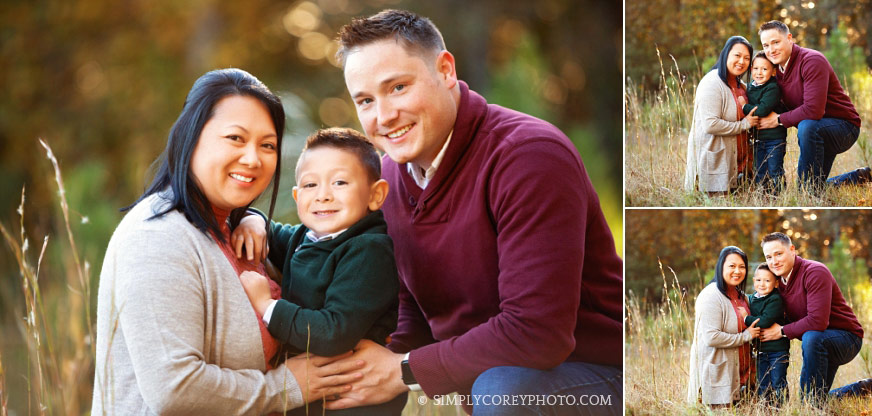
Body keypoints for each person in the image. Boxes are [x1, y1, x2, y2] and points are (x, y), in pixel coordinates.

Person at [325, 9, 623, 416]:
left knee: (504, 391)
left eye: (397, 87)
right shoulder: (389, 182)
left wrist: (402, 370)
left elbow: (538, 334)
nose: (383, 116)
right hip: (503, 381)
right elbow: (410, 313)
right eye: (365, 100)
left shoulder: (528, 157)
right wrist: (359, 373)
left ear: (445, 70)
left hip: (606, 373)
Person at [91, 69, 361, 415]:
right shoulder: (156, 238)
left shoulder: (231, 227)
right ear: (192, 138)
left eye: (267, 145)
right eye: (235, 138)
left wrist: (253, 218)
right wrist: (287, 387)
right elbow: (175, 388)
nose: (253, 158)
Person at [233, 127, 407, 415]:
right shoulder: (308, 237)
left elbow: (333, 332)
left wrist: (267, 306)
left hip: (354, 397)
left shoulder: (368, 250)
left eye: (340, 182)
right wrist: (253, 220)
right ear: (297, 195)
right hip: (314, 392)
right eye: (310, 185)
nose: (323, 195)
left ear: (375, 195)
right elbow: (274, 234)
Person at [758, 232, 872, 401]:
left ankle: (809, 407)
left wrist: (781, 331)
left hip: (846, 338)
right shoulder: (775, 281)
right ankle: (859, 389)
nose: (774, 261)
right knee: (816, 397)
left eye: (778, 254)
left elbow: (818, 321)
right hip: (818, 341)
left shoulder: (815, 272)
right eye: (768, 257)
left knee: (812, 338)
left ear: (792, 250)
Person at [756, 20, 872, 189]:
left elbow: (813, 110)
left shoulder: (812, 60)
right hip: (815, 130)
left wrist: (778, 120)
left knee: (808, 127)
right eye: (766, 45)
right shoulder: (774, 70)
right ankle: (858, 177)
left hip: (844, 127)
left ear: (789, 38)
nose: (771, 50)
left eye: (775, 42)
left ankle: (807, 192)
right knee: (814, 185)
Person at [685, 36, 759, 194]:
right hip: (715, 165)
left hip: (739, 166)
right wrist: (744, 124)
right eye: (737, 55)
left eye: (747, 58)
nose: (741, 61)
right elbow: (710, 124)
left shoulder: (741, 85)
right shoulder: (712, 83)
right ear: (726, 54)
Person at [687, 246, 761, 407]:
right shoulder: (710, 296)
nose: (737, 271)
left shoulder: (741, 296)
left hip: (744, 377)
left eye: (742, 267)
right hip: (719, 379)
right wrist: (746, 336)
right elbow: (711, 337)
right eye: (732, 266)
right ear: (721, 266)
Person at [739, 264, 789, 405]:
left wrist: (746, 318)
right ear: (754, 281)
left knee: (778, 380)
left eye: (767, 281)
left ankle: (781, 408)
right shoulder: (753, 298)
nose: (762, 284)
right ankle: (765, 407)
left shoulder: (775, 299)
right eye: (759, 280)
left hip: (777, 351)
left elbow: (765, 321)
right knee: (762, 381)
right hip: (761, 351)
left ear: (776, 283)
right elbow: (746, 298)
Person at [740, 51, 788, 195]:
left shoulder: (772, 88)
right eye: (755, 68)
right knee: (759, 169)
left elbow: (762, 110)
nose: (759, 72)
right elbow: (747, 88)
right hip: (758, 139)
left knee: (774, 170)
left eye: (764, 69)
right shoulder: (751, 87)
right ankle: (763, 196)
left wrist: (744, 107)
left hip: (774, 139)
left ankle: (779, 196)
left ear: (773, 72)